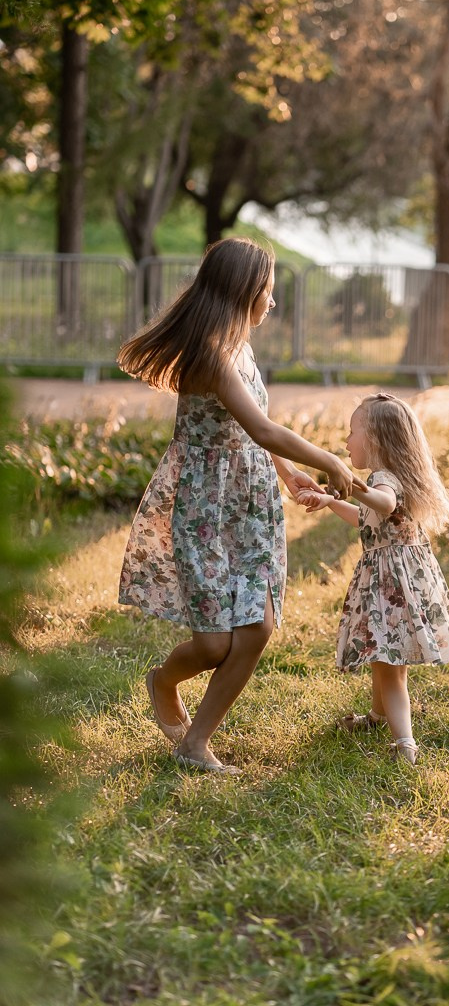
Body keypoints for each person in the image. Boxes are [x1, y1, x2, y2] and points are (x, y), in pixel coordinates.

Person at [117, 237, 361, 774]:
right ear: (244, 291)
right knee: (211, 644)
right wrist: (330, 461)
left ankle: (194, 743)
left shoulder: (239, 345)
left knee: (256, 629)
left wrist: (288, 470)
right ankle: (162, 680)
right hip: (207, 509)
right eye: (268, 292)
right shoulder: (210, 354)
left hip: (250, 507)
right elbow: (263, 427)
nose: (272, 303)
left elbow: (250, 435)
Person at [296, 392, 449, 765]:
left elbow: (384, 503)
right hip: (402, 584)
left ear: (375, 438)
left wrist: (350, 482)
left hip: (391, 586)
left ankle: (405, 744)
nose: (346, 440)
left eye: (352, 431)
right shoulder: (392, 477)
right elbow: (366, 517)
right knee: (386, 659)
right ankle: (376, 717)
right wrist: (329, 501)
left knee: (390, 670)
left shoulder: (384, 479)